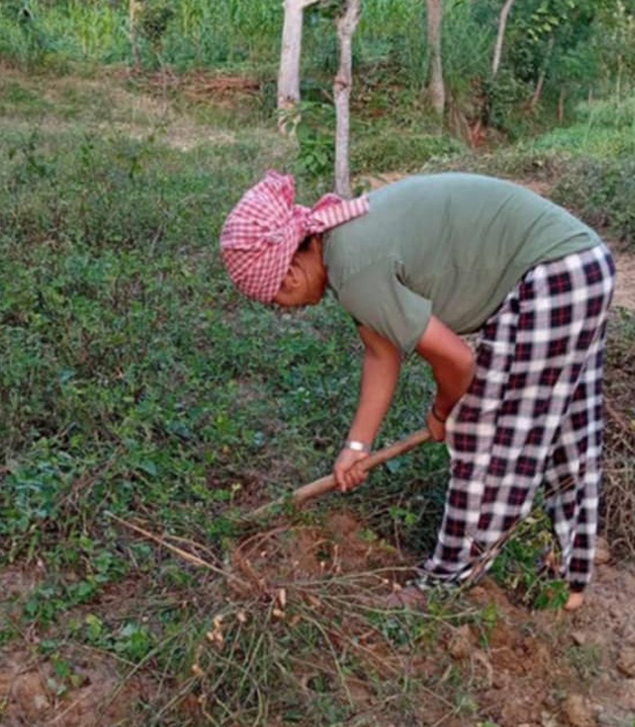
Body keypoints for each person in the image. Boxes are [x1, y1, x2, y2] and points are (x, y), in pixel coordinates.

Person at [220, 171, 615, 611]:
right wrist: (356, 446)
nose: (282, 309)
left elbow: (458, 361)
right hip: (579, 264)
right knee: (565, 427)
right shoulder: (344, 247)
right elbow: (381, 355)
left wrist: (445, 412)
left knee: (485, 435)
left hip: (554, 274)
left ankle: (445, 583)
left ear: (289, 274)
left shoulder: (354, 266)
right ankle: (572, 577)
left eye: (275, 301)